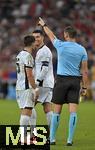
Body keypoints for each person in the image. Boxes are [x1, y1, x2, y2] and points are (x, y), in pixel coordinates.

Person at [38, 17, 88, 146]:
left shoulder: (60, 45)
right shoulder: (82, 50)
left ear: (66, 35)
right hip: (75, 81)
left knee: (57, 111)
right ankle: (69, 140)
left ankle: (53, 139)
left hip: (61, 80)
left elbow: (50, 34)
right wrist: (85, 88)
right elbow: (85, 71)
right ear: (75, 36)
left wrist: (44, 25)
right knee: (73, 112)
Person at [16, 35, 39, 144]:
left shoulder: (20, 54)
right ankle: (23, 138)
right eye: (35, 42)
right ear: (31, 43)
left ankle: (33, 136)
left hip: (19, 88)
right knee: (26, 112)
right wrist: (36, 89)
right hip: (26, 88)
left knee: (31, 112)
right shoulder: (28, 56)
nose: (36, 44)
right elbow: (29, 75)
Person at [31, 30, 54, 132]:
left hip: (42, 84)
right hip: (48, 84)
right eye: (34, 37)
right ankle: (52, 135)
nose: (35, 39)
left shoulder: (44, 51)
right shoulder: (42, 50)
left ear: (43, 37)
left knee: (29, 106)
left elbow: (44, 69)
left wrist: (36, 83)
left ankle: (32, 134)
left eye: (38, 37)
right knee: (47, 108)